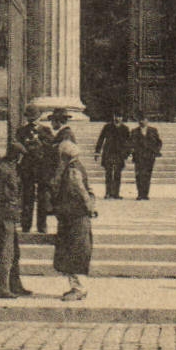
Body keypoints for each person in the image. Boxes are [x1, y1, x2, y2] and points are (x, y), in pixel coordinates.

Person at [49, 134, 99, 301]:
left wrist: (90, 208)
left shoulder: (71, 171)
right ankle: (77, 287)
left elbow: (82, 193)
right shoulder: (77, 167)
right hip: (74, 216)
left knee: (75, 252)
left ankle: (79, 288)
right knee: (74, 252)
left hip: (75, 217)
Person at [0, 143, 34, 299]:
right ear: (16, 156)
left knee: (14, 252)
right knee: (5, 252)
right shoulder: (4, 170)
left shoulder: (10, 168)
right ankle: (1, 288)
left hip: (10, 216)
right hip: (4, 216)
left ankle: (14, 285)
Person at [95, 110, 132, 200]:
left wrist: (127, 153)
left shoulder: (125, 129)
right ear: (113, 116)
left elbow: (129, 142)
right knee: (108, 173)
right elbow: (101, 139)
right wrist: (97, 151)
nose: (118, 118)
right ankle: (108, 193)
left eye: (120, 117)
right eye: (116, 116)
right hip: (109, 153)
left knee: (117, 173)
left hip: (119, 154)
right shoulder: (107, 127)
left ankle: (116, 193)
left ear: (122, 118)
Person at [130, 113, 163, 200]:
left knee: (147, 175)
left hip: (149, 156)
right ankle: (140, 193)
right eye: (140, 120)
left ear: (147, 120)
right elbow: (130, 143)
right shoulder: (134, 131)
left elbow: (159, 142)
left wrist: (156, 151)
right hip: (139, 157)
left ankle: (145, 193)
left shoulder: (153, 130)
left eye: (144, 119)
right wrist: (132, 150)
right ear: (138, 121)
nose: (142, 121)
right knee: (139, 175)